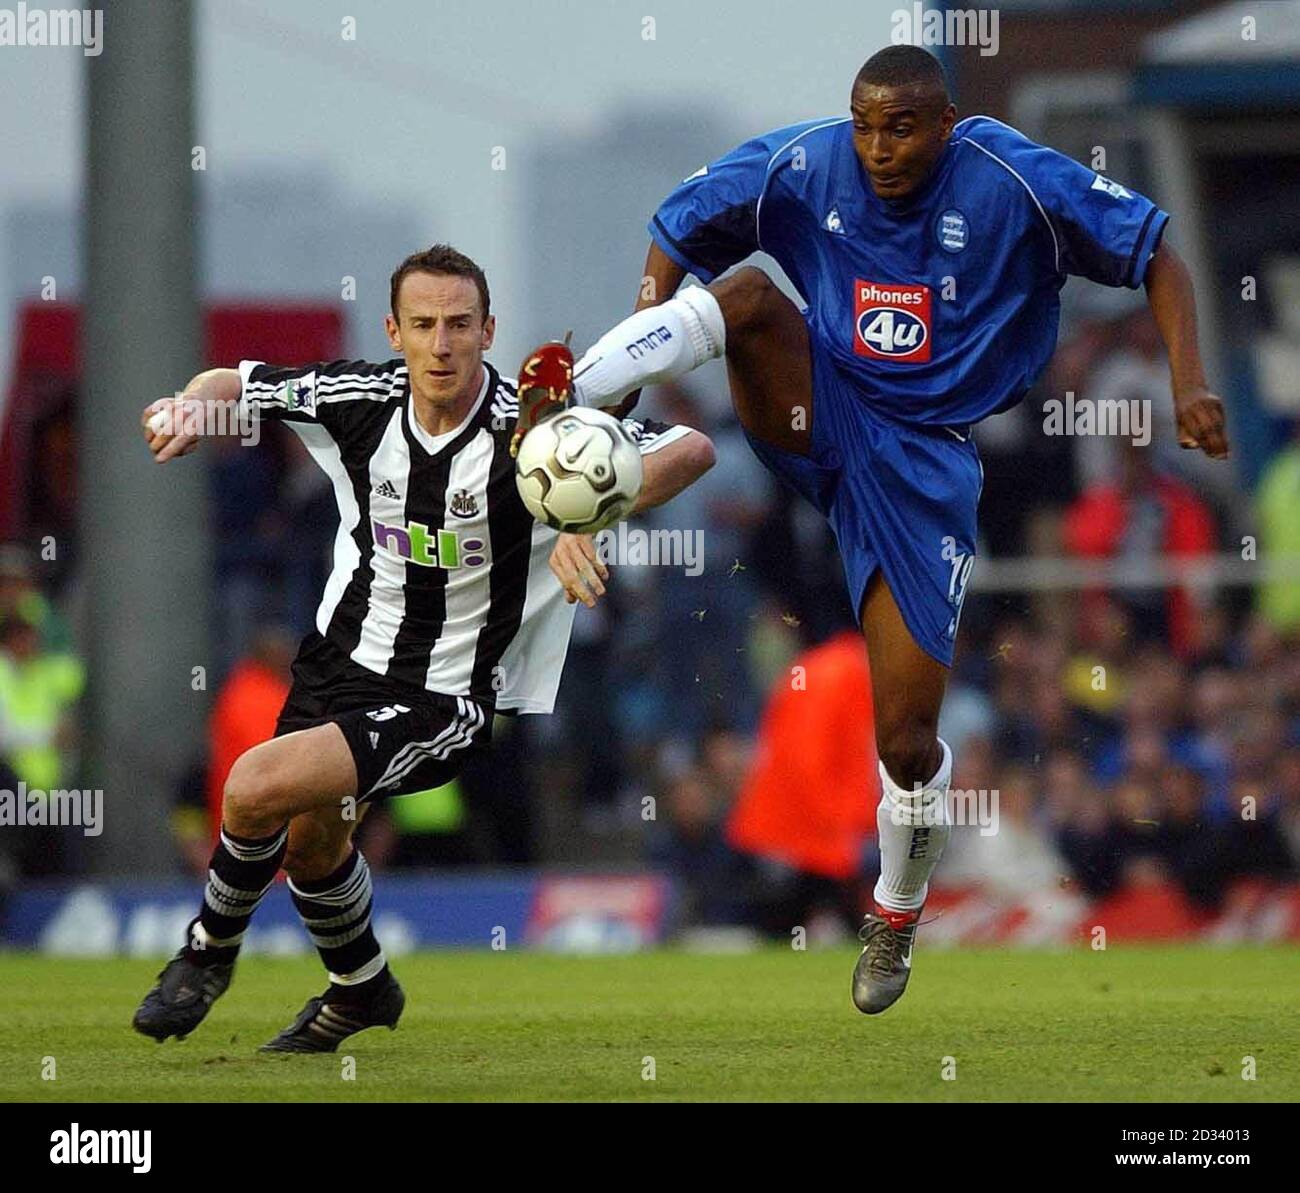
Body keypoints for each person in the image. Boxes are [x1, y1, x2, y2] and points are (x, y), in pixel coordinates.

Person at [518, 45, 1228, 1013]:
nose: (877, 147)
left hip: (925, 467)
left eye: (899, 127)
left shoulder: (1012, 177)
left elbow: (1158, 252)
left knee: (904, 738)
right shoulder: (805, 166)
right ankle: (573, 396)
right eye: (864, 123)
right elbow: (676, 226)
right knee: (751, 298)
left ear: (942, 126)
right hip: (820, 404)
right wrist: (624, 369)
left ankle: (894, 908)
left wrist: (1188, 383)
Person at [132, 244, 714, 1052]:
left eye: (460, 324)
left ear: (489, 330)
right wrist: (191, 405)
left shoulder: (533, 429)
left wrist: (593, 508)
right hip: (336, 665)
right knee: (311, 847)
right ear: (394, 331)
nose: (442, 344)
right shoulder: (357, 399)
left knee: (251, 784)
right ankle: (363, 987)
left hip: (440, 695)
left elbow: (690, 447)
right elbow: (236, 381)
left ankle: (206, 954)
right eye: (425, 324)